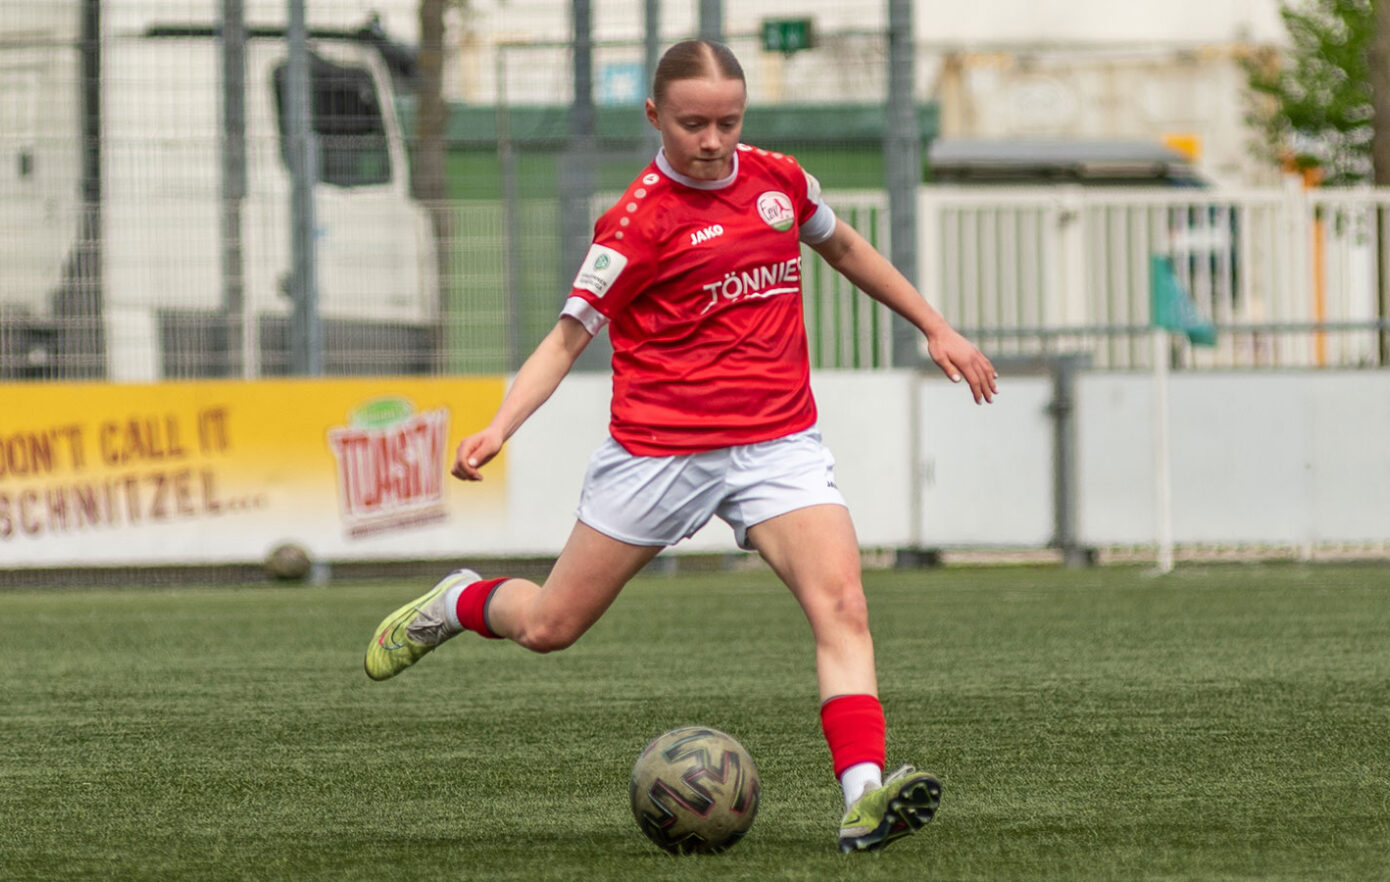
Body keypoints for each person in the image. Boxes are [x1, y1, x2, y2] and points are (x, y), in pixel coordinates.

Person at [364, 39, 998, 853]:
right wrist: (499, 425)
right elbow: (566, 339)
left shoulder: (779, 181)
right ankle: (458, 602)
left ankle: (863, 798)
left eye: (728, 122)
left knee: (842, 605)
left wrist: (936, 327)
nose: (713, 141)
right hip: (659, 454)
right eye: (694, 124)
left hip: (778, 445)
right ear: (654, 115)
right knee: (551, 626)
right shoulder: (636, 223)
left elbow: (844, 247)